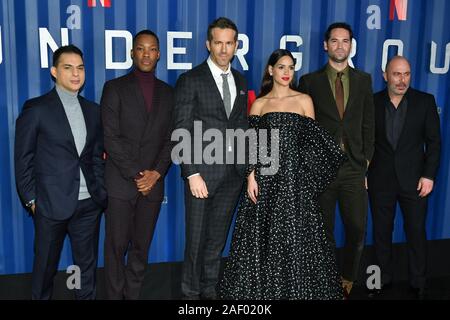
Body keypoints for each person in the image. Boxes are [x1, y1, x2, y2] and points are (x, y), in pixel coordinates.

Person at [219, 49, 345, 300]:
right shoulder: (260, 104)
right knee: (263, 238)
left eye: (291, 67)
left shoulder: (304, 100)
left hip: (295, 182)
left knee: (297, 238)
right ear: (270, 70)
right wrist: (251, 176)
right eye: (281, 67)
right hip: (266, 180)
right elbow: (252, 144)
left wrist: (306, 178)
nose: (287, 72)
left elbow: (314, 145)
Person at [14, 45, 107, 300]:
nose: (75, 74)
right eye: (68, 68)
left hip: (88, 205)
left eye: (80, 68)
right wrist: (32, 201)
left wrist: (99, 189)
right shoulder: (36, 109)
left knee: (85, 269)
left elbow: (97, 156)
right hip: (50, 205)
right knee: (44, 270)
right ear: (55, 71)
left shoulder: (93, 110)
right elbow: (23, 160)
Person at [173, 17, 248, 300]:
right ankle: (190, 295)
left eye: (229, 43)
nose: (224, 49)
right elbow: (180, 129)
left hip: (233, 175)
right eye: (218, 42)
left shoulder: (240, 80)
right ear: (208, 44)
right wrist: (191, 173)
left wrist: (248, 169)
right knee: (195, 242)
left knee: (216, 241)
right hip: (201, 175)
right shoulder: (190, 80)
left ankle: (209, 290)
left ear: (236, 45)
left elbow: (241, 126)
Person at [298, 22, 375, 297]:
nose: (340, 45)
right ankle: (326, 278)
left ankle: (348, 278)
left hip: (354, 169)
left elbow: (368, 124)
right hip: (322, 169)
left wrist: (366, 163)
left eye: (345, 41)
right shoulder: (309, 81)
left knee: (356, 227)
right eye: (335, 41)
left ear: (351, 45)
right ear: (325, 45)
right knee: (323, 230)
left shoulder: (364, 80)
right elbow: (304, 128)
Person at [100, 30, 174, 299]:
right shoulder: (114, 88)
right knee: (116, 248)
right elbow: (110, 137)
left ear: (158, 54)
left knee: (141, 249)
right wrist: (137, 174)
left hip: (152, 186)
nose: (146, 54)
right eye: (140, 48)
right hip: (121, 183)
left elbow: (172, 138)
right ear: (132, 53)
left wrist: (155, 173)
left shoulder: (169, 93)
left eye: (152, 49)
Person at [367, 56, 441, 299]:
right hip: (380, 180)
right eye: (396, 74)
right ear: (385, 75)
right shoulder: (371, 103)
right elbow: (363, 142)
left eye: (406, 74)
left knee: (416, 232)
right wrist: (363, 172)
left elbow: (434, 143)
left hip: (415, 181)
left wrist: (428, 176)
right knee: (380, 233)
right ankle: (378, 280)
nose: (402, 80)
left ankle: (419, 282)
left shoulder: (425, 101)